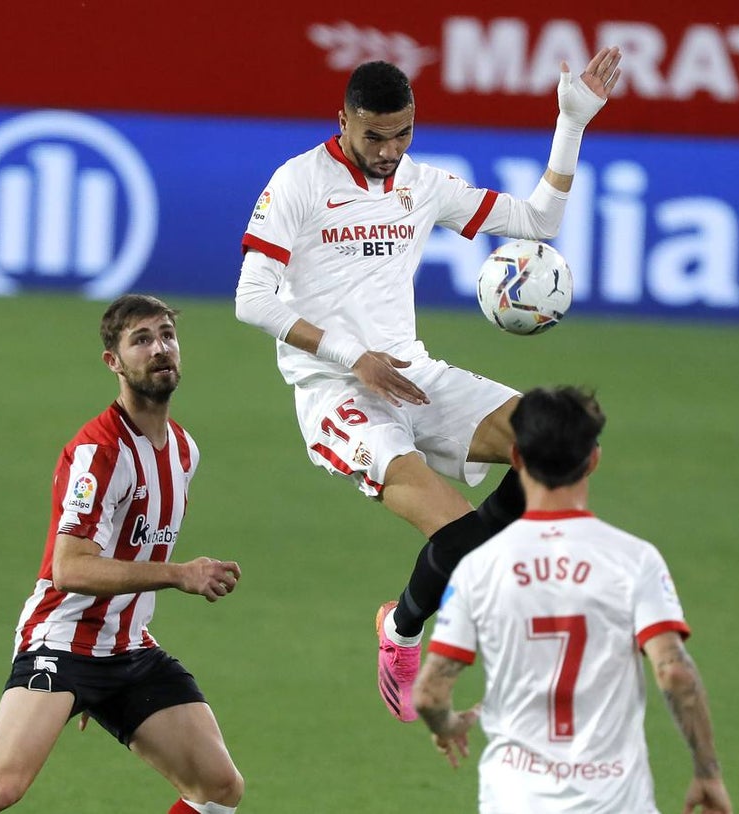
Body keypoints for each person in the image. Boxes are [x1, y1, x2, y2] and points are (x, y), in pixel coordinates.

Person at [235, 50, 622, 722]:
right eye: (374, 136)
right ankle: (403, 630)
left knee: (559, 438)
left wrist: (571, 121)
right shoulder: (298, 182)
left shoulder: (422, 184)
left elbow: (538, 222)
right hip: (338, 395)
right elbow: (251, 297)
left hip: (414, 375)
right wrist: (354, 356)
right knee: (461, 537)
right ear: (343, 122)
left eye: (402, 134)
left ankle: (435, 603)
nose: (388, 150)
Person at [0, 294, 245, 814]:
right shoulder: (99, 453)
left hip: (128, 648)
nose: (160, 349)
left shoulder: (183, 449)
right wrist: (180, 574)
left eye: (167, 336)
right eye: (142, 340)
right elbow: (70, 568)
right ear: (113, 361)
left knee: (218, 786)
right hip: (63, 644)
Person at [412, 387, 733, 814]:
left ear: (517, 458)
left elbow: (430, 695)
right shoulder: (632, 559)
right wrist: (707, 772)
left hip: (515, 799)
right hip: (615, 801)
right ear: (593, 459)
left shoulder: (479, 567)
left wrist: (448, 725)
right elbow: (675, 673)